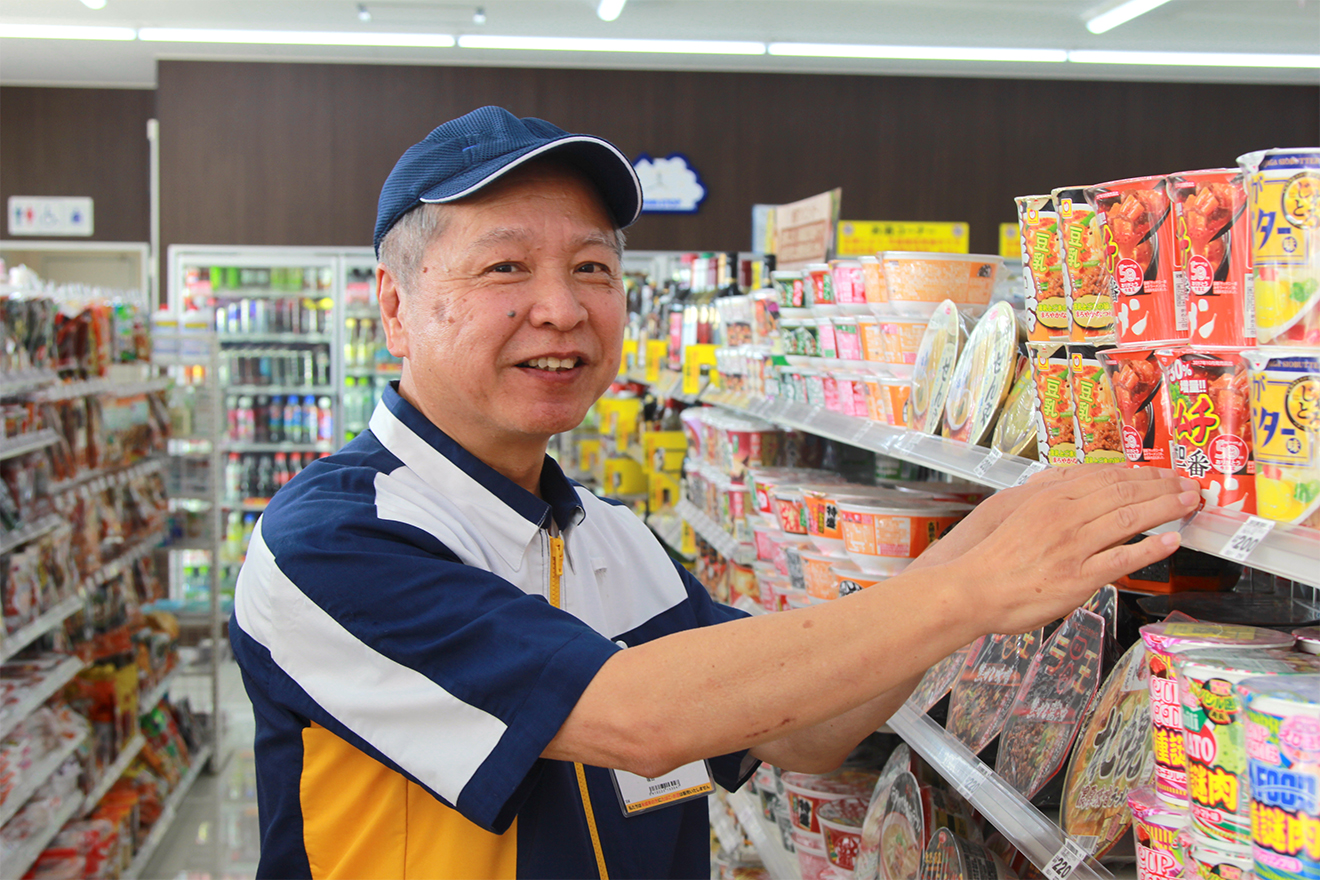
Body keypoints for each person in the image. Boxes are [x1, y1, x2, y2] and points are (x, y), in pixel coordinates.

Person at [230, 105, 1201, 880]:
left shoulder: (612, 538)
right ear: (393, 306)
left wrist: (983, 537)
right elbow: (637, 715)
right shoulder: (334, 544)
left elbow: (804, 732)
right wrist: (971, 586)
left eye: (594, 267)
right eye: (505, 267)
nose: (563, 307)